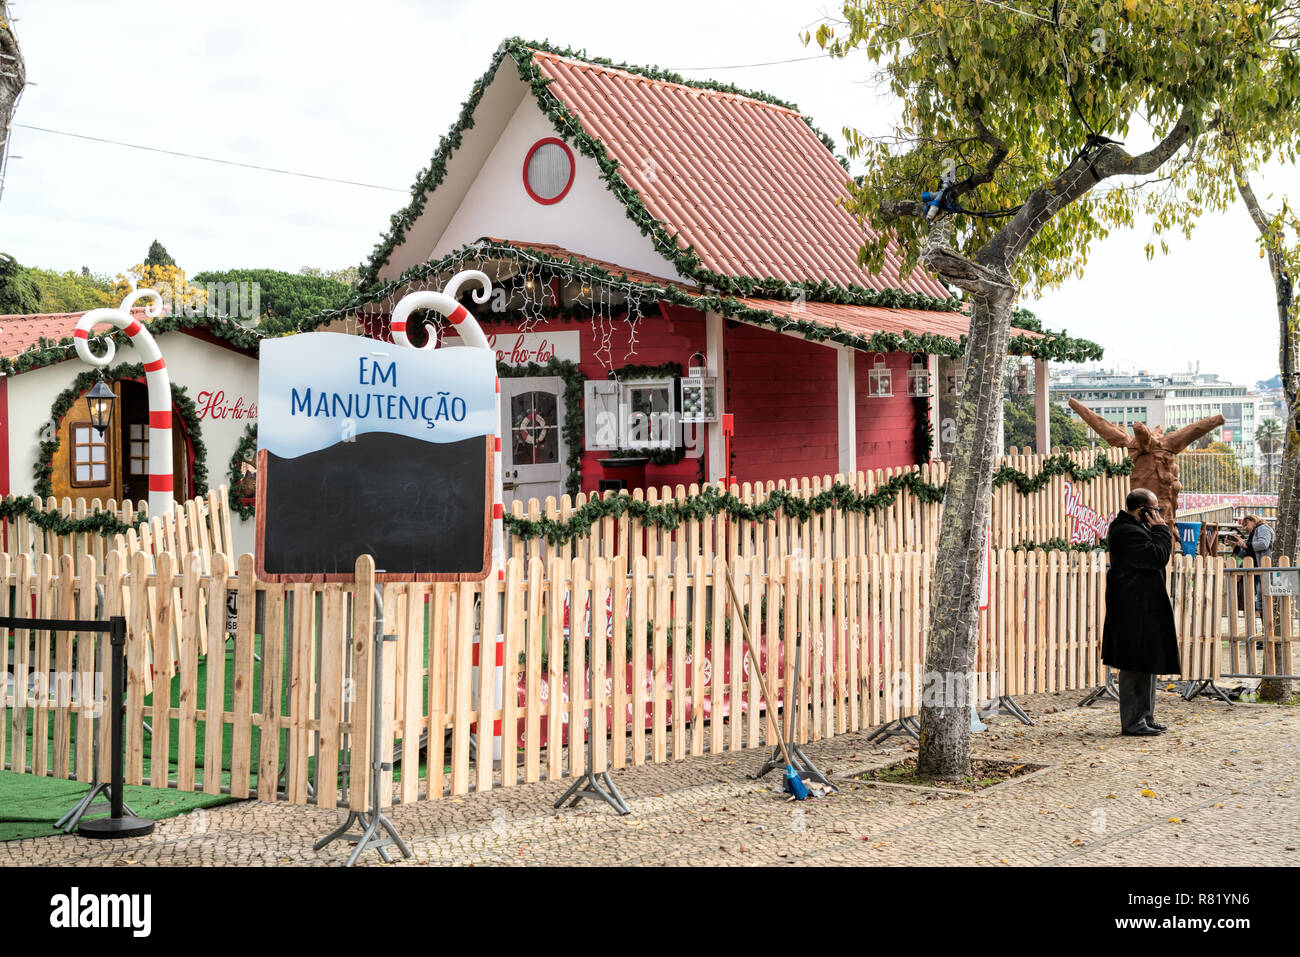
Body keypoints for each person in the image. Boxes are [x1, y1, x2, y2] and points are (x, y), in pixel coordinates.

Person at [1102, 488, 1182, 736]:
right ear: (1142, 510)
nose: (1158, 515)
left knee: (1147, 662)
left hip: (1143, 607)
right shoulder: (1126, 531)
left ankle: (1145, 716)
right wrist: (1161, 530)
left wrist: (1158, 531)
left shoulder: (1135, 528)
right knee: (1133, 664)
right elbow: (1157, 557)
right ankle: (1133, 721)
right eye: (1155, 510)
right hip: (1131, 609)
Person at [1225, 514, 1274, 615]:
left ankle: (1267, 628)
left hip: (1263, 569)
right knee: (1259, 603)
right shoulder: (1254, 533)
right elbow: (1246, 554)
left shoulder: (1262, 528)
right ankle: (1264, 628)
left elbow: (1264, 544)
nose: (1245, 527)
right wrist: (1235, 545)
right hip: (1256, 569)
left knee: (1262, 602)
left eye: (1246, 524)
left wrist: (1245, 544)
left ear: (1253, 520)